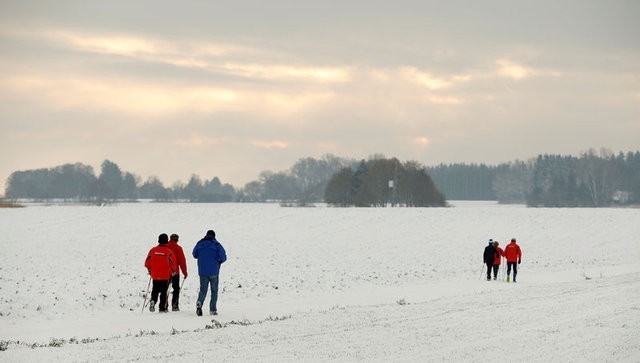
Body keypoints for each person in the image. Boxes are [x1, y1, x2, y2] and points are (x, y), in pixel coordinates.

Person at [193, 229, 227, 316]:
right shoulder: (216, 244)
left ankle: (199, 302)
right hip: (214, 271)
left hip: (202, 271)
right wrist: (219, 261)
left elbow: (194, 254)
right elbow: (223, 257)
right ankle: (213, 310)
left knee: (203, 290)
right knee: (214, 291)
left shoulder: (200, 243)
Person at [144, 233, 176, 313]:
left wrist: (150, 270)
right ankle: (162, 308)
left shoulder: (152, 250)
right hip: (165, 276)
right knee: (163, 292)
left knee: (155, 290)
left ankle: (153, 301)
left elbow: (147, 262)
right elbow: (173, 264)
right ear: (166, 241)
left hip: (155, 275)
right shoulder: (169, 252)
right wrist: (173, 271)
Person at [167, 233, 188, 311]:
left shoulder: (165, 247)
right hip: (175, 272)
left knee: (165, 289)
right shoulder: (178, 248)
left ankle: (164, 305)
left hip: (165, 272)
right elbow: (182, 261)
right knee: (176, 288)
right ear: (177, 240)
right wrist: (185, 273)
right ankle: (175, 305)